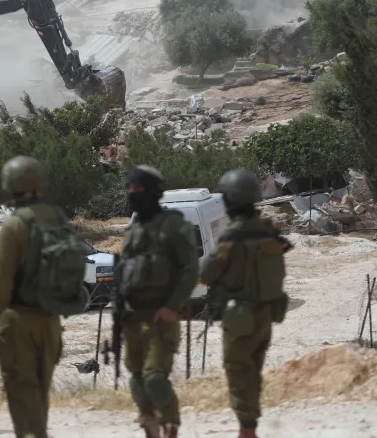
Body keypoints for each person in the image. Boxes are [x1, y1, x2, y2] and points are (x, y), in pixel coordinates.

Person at [0, 156, 87, 438]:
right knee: (39, 401)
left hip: (17, 325)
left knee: (24, 403)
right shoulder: (57, 218)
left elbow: (0, 283)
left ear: (9, 185)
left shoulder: (14, 226)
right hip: (50, 322)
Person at [202, 169, 293, 438]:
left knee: (239, 370)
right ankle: (250, 424)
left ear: (229, 201)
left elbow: (207, 274)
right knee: (253, 369)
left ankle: (247, 430)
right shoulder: (269, 233)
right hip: (266, 313)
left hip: (239, 317)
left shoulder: (232, 238)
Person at [115, 166, 199, 438]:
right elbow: (125, 268)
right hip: (132, 318)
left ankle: (170, 423)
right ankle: (149, 426)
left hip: (161, 316)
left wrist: (174, 305)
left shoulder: (173, 225)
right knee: (138, 381)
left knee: (154, 379)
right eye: (130, 189)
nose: (132, 194)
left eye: (137, 189)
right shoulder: (135, 228)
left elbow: (190, 269)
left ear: (152, 192)